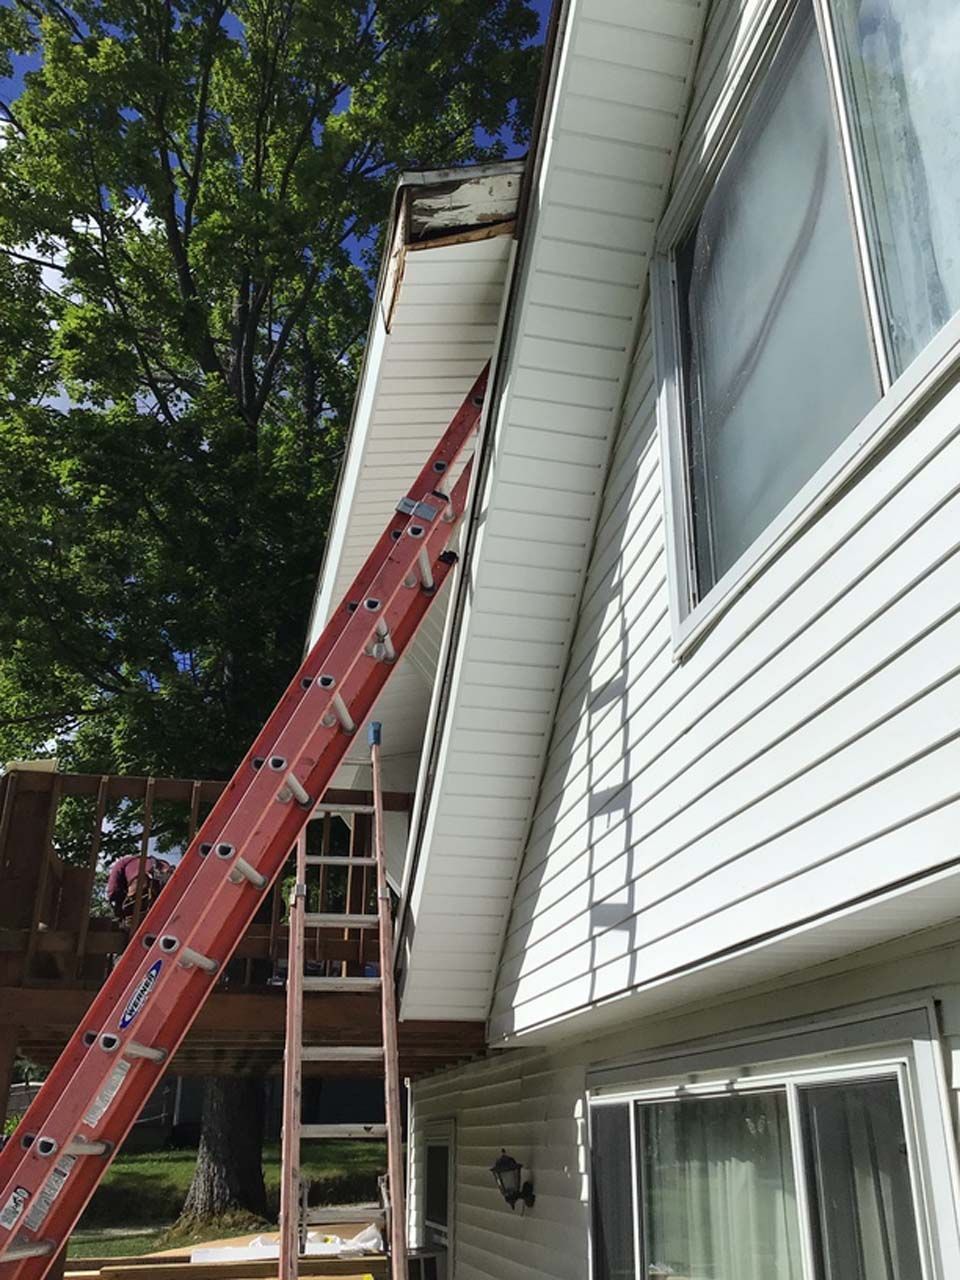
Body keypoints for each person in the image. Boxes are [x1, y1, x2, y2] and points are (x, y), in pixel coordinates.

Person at [106, 853, 173, 921]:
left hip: (141, 881)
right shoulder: (150, 860)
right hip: (165, 878)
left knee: (131, 917)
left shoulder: (122, 862)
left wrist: (115, 903)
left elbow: (113, 888)